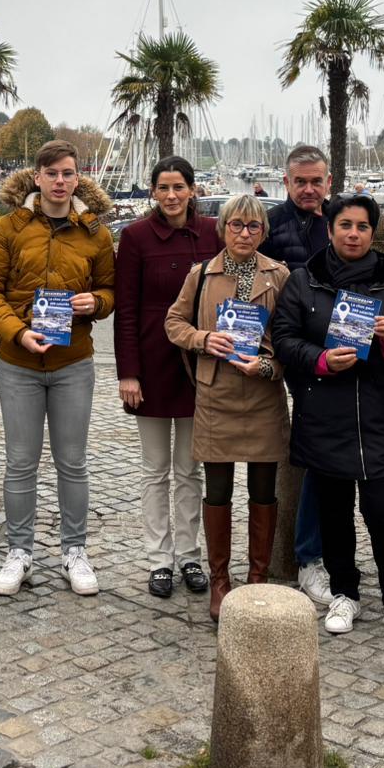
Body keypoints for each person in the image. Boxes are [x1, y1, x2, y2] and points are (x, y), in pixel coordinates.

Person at [272, 193, 384, 653]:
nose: (353, 233)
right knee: (334, 514)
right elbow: (283, 340)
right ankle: (345, 594)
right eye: (345, 225)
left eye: (362, 226)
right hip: (324, 414)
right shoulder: (305, 281)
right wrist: (321, 359)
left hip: (381, 416)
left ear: (372, 232)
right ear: (330, 230)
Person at [0, 140, 115, 597]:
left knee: (72, 463)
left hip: (74, 361)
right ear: (37, 176)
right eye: (51, 172)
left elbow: (111, 291)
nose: (59, 181)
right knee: (20, 464)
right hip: (19, 363)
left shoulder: (95, 232)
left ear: (78, 178)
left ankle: (75, 550)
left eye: (68, 173)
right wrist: (16, 331)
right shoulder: (8, 227)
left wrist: (96, 302)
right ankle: (19, 552)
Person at [164, 194, 290, 621]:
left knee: (263, 490)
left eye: (253, 226)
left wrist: (270, 364)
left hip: (262, 394)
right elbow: (173, 323)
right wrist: (204, 339)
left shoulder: (280, 275)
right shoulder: (200, 275)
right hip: (216, 393)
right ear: (223, 229)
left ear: (263, 232)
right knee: (216, 491)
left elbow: (291, 337)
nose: (244, 234)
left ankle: (257, 576)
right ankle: (220, 580)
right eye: (236, 225)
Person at [115, 156, 219, 599]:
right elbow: (126, 310)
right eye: (163, 188)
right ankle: (159, 559)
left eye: (179, 187)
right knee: (155, 470)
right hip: (152, 364)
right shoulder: (135, 237)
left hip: (200, 365)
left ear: (192, 189)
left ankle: (190, 555)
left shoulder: (215, 232)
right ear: (153, 192)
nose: (172, 196)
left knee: (190, 470)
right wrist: (128, 374)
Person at [265, 144, 335, 605]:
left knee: (325, 454)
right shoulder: (269, 223)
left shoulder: (343, 220)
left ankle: (321, 553)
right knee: (289, 452)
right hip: (284, 351)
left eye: (316, 181)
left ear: (329, 182)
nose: (309, 189)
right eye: (300, 181)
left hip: (335, 353)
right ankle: (289, 556)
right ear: (286, 182)